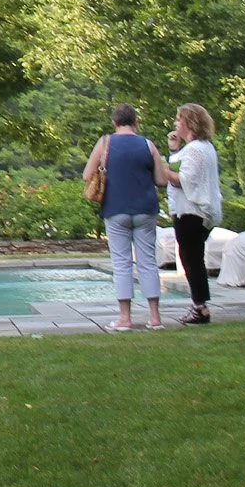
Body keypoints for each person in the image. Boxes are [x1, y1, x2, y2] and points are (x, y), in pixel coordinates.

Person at [84, 103, 172, 330]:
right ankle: (155, 317)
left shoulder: (105, 143)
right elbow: (161, 180)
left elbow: (87, 174)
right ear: (136, 122)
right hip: (145, 210)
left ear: (114, 123)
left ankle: (125, 318)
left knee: (122, 263)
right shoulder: (148, 144)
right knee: (148, 262)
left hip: (115, 209)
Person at [165, 103, 223, 326]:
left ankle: (200, 307)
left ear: (189, 123)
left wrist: (161, 170)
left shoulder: (196, 149)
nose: (175, 123)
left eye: (179, 119)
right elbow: (183, 166)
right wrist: (173, 149)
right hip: (202, 213)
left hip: (191, 213)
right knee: (193, 258)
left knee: (191, 260)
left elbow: (184, 179)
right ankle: (199, 304)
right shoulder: (204, 147)